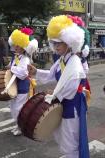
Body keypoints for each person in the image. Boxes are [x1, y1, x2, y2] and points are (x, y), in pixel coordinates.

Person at [28, 15, 89, 158]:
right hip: (63, 103)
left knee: (70, 141)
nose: (55, 47)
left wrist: (55, 93)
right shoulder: (62, 60)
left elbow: (71, 89)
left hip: (72, 105)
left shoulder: (74, 61)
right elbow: (50, 74)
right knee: (64, 137)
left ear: (69, 42)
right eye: (54, 43)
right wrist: (36, 71)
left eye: (58, 43)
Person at [7, 28, 38, 136]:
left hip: (23, 87)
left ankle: (21, 127)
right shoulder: (15, 57)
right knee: (12, 107)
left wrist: (10, 69)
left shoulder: (25, 59)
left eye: (19, 45)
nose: (16, 46)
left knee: (18, 109)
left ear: (24, 47)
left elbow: (23, 73)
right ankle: (18, 125)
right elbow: (13, 68)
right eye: (15, 44)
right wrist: (9, 67)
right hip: (14, 86)